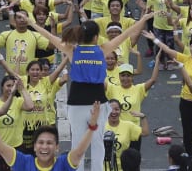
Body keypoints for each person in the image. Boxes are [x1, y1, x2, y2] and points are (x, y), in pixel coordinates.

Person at [27, 11, 155, 171]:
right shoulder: (103, 49)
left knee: (77, 145)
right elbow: (127, 34)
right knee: (98, 144)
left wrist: (32, 24)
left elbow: (49, 36)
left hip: (76, 102)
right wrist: (143, 19)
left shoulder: (73, 50)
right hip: (98, 101)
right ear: (96, 37)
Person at [0, 99, 102, 171]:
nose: (44, 146)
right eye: (41, 142)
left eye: (49, 143)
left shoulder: (63, 164)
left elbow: (80, 151)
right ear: (34, 147)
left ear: (57, 147)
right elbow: (1, 147)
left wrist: (92, 126)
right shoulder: (24, 162)